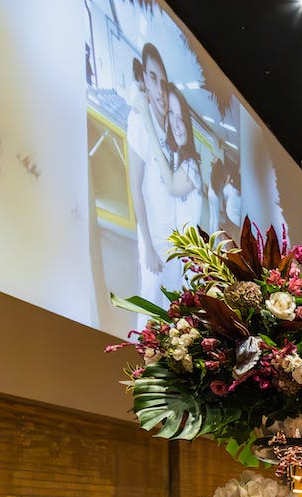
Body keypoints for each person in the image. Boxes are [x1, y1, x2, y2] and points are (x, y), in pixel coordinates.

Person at [126, 43, 175, 305]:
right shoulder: (138, 121)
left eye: (163, 83)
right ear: (144, 78)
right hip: (152, 235)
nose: (159, 90)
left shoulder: (167, 124)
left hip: (171, 237)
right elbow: (135, 185)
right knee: (150, 303)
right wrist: (148, 246)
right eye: (152, 78)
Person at [163, 81, 206, 237]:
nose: (176, 124)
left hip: (187, 256)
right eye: (171, 113)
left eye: (181, 117)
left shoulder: (191, 166)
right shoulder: (174, 156)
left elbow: (172, 188)